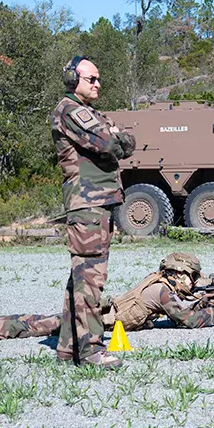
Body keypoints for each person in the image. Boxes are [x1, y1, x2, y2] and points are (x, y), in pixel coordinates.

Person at [0, 254, 214, 345]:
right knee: (38, 326)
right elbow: (188, 322)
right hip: (95, 320)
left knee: (38, 322)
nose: (193, 283)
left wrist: (205, 298)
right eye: (191, 277)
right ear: (178, 273)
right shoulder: (161, 290)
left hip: (101, 316)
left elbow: (183, 310)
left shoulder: (161, 284)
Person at [52, 56, 136, 368]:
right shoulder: (71, 110)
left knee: (81, 276)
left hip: (95, 202)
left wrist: (117, 135)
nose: (98, 84)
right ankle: (90, 351)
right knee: (90, 277)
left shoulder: (85, 111)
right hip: (88, 203)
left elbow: (128, 142)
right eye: (92, 79)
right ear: (74, 80)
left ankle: (68, 348)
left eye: (98, 79)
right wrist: (113, 133)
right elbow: (109, 143)